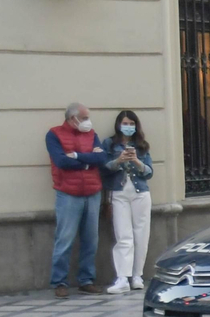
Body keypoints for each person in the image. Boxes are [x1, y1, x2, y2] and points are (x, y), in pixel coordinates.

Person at [45, 102, 111, 297]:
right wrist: (87, 160)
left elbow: (102, 158)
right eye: (84, 118)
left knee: (91, 239)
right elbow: (61, 161)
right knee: (64, 239)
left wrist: (77, 157)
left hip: (92, 192)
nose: (87, 122)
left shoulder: (92, 135)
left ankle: (86, 280)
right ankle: (59, 282)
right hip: (68, 193)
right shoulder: (54, 135)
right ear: (72, 118)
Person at [103, 110, 154, 293]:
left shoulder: (141, 145)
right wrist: (119, 160)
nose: (129, 127)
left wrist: (137, 162)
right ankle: (122, 278)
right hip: (119, 192)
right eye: (125, 123)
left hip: (141, 193)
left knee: (141, 234)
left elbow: (149, 172)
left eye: (132, 124)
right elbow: (105, 168)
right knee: (123, 235)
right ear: (118, 124)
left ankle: (137, 276)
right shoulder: (110, 144)